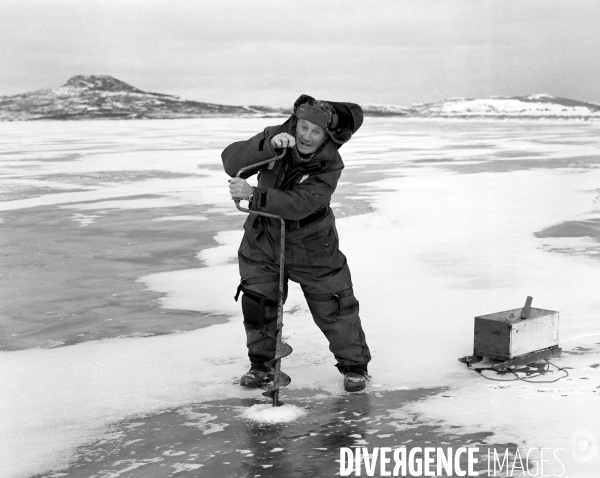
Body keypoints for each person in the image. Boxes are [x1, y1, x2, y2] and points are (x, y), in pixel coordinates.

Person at [222, 94, 371, 392]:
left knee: (335, 305)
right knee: (258, 303)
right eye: (303, 127)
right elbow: (231, 161)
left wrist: (255, 195)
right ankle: (262, 366)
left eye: (315, 132)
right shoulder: (276, 136)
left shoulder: (330, 164)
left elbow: (303, 203)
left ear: (326, 136)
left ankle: (355, 366)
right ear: (296, 123)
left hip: (313, 244)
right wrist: (267, 146)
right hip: (262, 239)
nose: (306, 136)